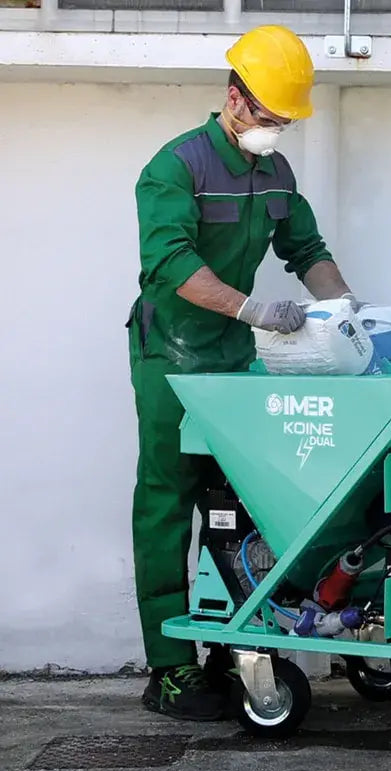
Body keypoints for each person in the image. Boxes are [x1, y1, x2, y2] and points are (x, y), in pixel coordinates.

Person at [126, 24, 362, 721]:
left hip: (233, 359)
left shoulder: (276, 172)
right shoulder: (175, 168)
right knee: (168, 501)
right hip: (171, 356)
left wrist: (349, 313)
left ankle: (235, 645)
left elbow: (306, 249)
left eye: (284, 120)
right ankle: (171, 667)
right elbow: (171, 265)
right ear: (234, 99)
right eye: (267, 116)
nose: (274, 130)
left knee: (241, 502)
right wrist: (254, 310)